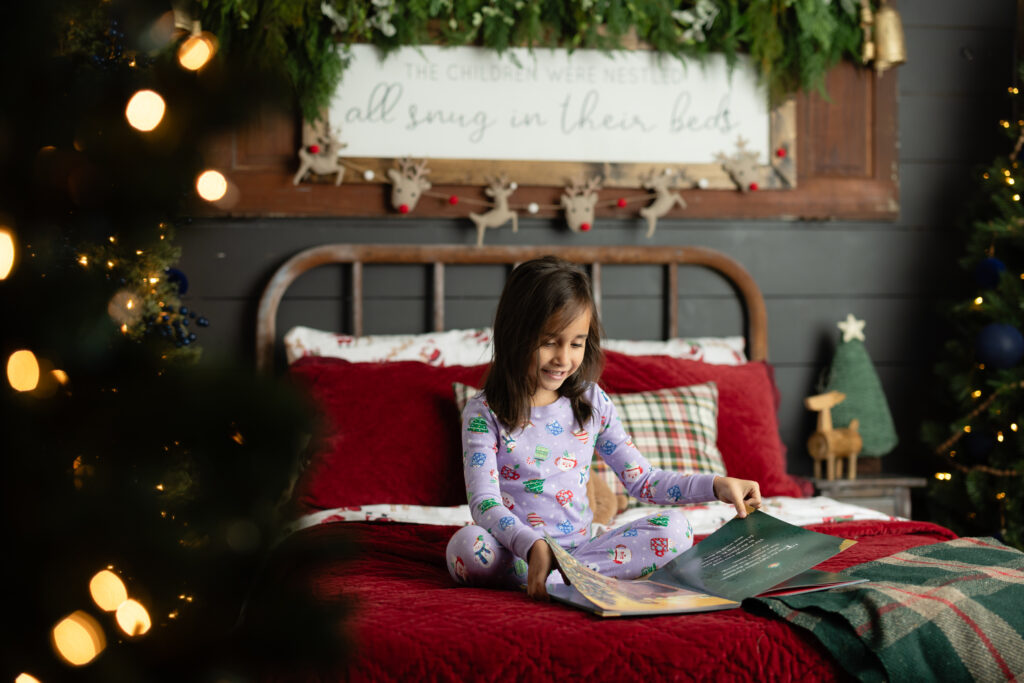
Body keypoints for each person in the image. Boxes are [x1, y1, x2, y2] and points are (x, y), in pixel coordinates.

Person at [445, 256, 761, 600]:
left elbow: (645, 481)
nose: (563, 358)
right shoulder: (484, 412)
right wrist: (532, 545)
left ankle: (563, 577)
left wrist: (716, 485)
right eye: (549, 342)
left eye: (576, 343)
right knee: (467, 546)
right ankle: (559, 576)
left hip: (583, 552)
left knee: (676, 530)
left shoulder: (592, 402)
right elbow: (484, 503)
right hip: (516, 553)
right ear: (515, 334)